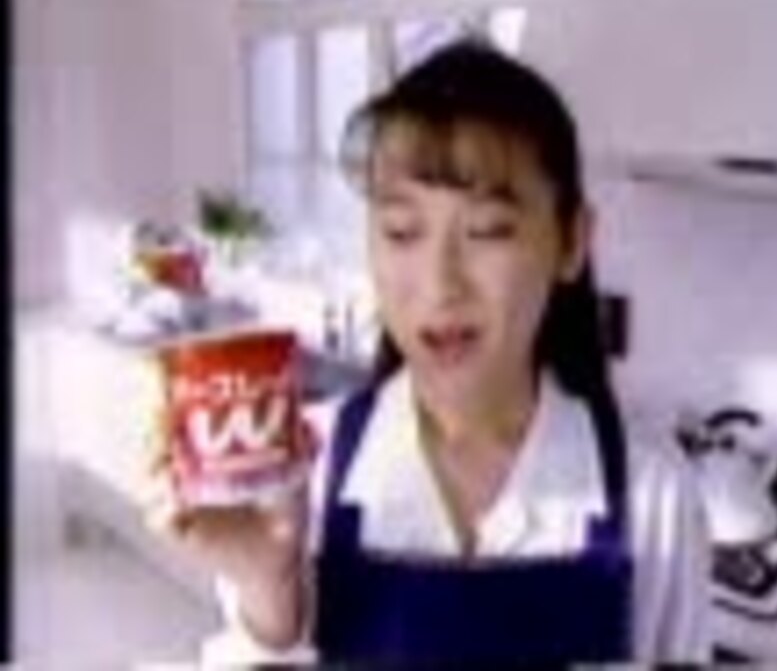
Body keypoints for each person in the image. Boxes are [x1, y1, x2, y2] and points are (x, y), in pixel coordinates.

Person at [141, 38, 713, 668]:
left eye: (487, 231)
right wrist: (268, 590)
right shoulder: (307, 471)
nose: (440, 284)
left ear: (572, 241)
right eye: (402, 232)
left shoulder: (651, 492)